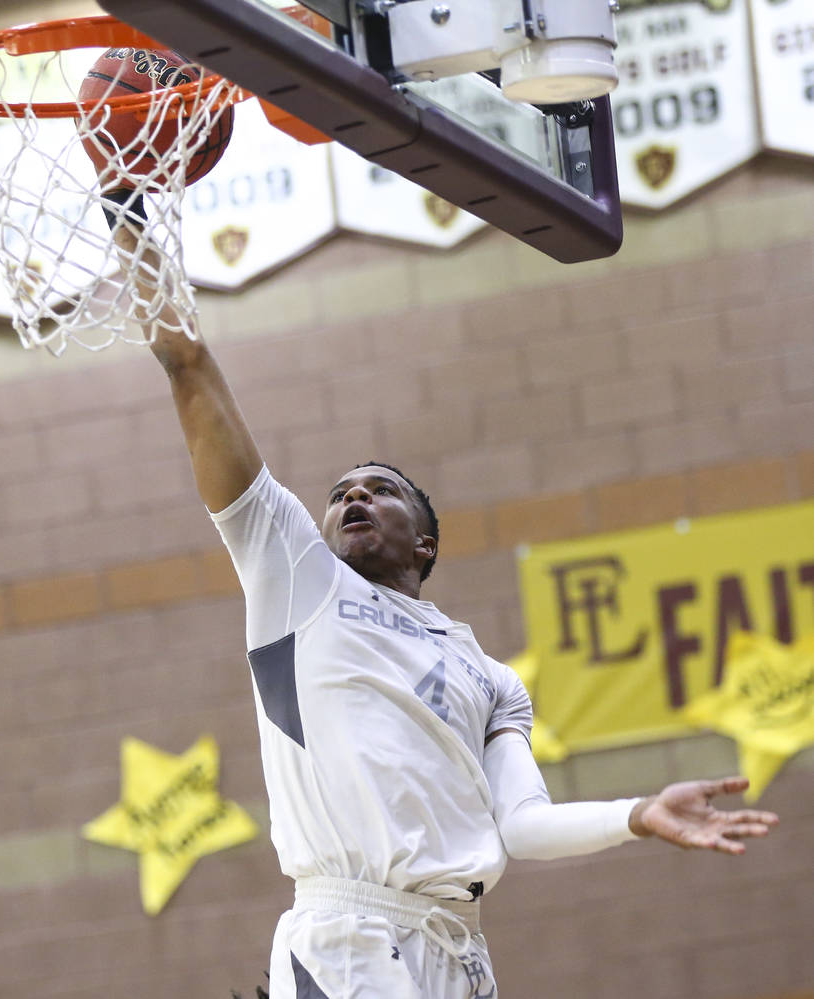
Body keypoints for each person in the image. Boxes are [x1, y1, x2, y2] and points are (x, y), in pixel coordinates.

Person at [113, 216, 778, 999]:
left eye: (380, 489)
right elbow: (187, 366)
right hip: (350, 936)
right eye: (338, 494)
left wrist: (636, 812)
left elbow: (522, 826)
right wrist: (130, 210)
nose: (353, 495)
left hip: (458, 951)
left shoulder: (490, 676)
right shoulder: (299, 577)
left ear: (425, 543)